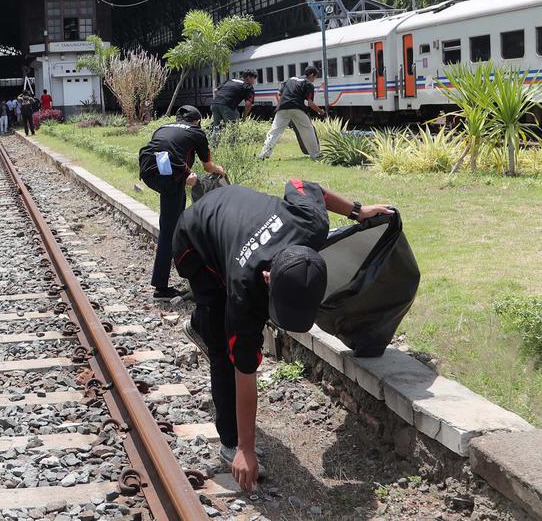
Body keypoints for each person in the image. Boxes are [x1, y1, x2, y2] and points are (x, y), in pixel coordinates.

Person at [171, 179, 392, 492]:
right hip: (195, 241)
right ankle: (230, 442)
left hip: (235, 211)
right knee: (224, 351)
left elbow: (303, 185)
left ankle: (206, 326)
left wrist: (358, 211)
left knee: (233, 343)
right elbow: (245, 372)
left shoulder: (312, 224)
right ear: (267, 278)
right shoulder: (245, 290)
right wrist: (246, 450)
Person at [141, 105, 226, 302]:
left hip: (151, 173)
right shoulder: (197, 132)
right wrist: (220, 170)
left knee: (173, 223)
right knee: (169, 231)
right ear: (197, 121)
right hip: (171, 177)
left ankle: (182, 270)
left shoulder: (162, 128)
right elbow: (208, 165)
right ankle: (161, 288)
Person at [258, 67, 324, 160]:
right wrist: (320, 111)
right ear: (311, 75)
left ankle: (263, 154)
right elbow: (310, 103)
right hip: (297, 108)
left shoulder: (290, 80)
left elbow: (279, 94)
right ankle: (315, 154)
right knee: (308, 130)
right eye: (315, 77)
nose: (314, 80)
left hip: (282, 108)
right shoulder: (308, 84)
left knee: (274, 131)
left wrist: (282, 104)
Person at [210, 70, 257, 141]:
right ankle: (233, 149)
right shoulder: (248, 86)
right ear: (249, 77)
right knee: (233, 130)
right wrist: (244, 117)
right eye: (254, 79)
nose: (254, 82)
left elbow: (216, 90)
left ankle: (213, 146)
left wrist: (222, 99)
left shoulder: (230, 80)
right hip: (227, 106)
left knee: (216, 127)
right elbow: (248, 104)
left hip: (215, 104)